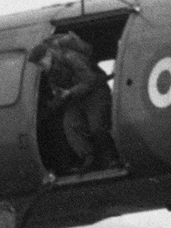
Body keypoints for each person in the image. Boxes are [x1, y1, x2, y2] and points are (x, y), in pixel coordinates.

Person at [28, 32, 118, 173]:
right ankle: (89, 159)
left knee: (97, 127)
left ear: (47, 56)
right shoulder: (50, 71)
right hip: (76, 98)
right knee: (71, 126)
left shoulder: (70, 58)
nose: (40, 68)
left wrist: (70, 92)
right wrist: (55, 100)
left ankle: (111, 158)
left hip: (95, 93)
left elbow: (90, 80)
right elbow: (57, 90)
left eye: (40, 64)